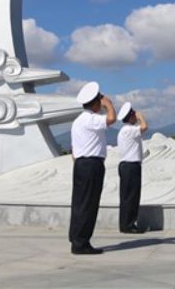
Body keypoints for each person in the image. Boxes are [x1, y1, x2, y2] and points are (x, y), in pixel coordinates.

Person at [69, 81, 117, 255]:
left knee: (79, 202)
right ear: (95, 102)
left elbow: (73, 150)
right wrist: (109, 104)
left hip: (81, 163)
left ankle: (76, 238)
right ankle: (82, 243)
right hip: (91, 164)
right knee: (89, 204)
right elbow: (111, 119)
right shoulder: (91, 118)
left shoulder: (78, 121)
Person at [117, 101, 148, 234]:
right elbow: (144, 127)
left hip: (127, 165)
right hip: (131, 165)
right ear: (130, 117)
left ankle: (126, 224)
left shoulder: (124, 130)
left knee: (126, 196)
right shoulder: (129, 130)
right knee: (131, 196)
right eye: (133, 114)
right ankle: (129, 224)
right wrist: (141, 117)